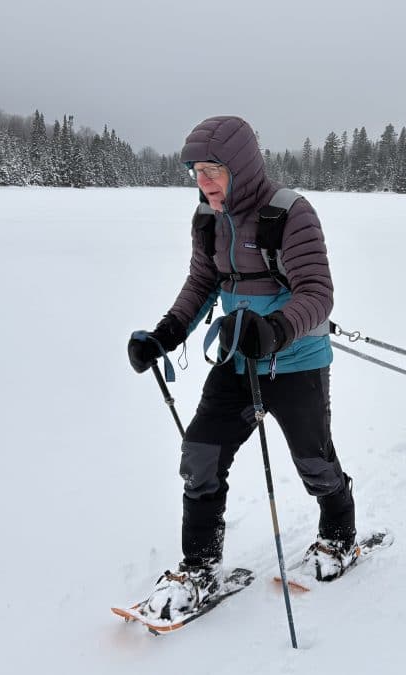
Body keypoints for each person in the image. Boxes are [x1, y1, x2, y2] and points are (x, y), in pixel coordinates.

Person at [126, 116, 355, 619]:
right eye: (196, 171)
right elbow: (201, 285)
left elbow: (318, 294)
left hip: (296, 363)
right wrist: (165, 335)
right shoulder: (208, 220)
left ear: (243, 167)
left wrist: (272, 330)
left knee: (315, 465)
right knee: (200, 455)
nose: (203, 181)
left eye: (213, 169)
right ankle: (200, 567)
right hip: (237, 361)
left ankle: (339, 534)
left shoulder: (290, 214)